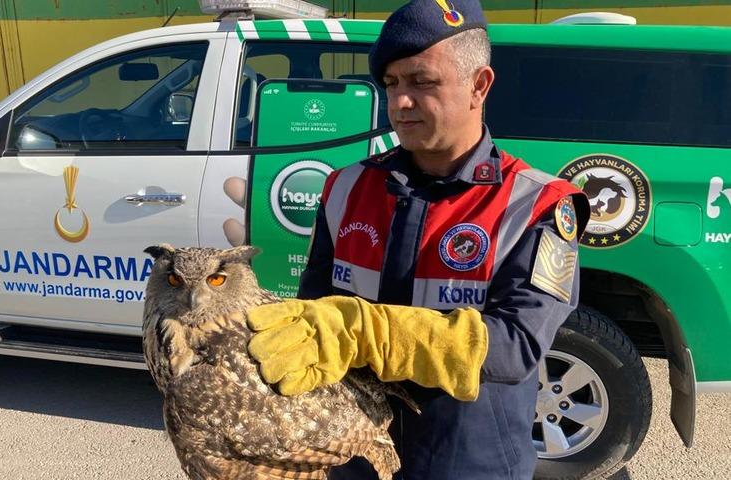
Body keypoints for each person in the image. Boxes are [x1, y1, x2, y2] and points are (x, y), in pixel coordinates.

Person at [246, 0, 590, 478]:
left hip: (469, 464)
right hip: (354, 458)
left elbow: (516, 348)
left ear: (479, 85)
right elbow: (314, 313)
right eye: (391, 84)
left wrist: (368, 331)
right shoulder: (345, 187)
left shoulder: (539, 205)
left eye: (422, 82)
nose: (400, 102)